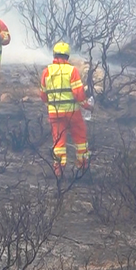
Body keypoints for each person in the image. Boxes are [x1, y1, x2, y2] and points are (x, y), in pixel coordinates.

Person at [39, 41, 91, 177]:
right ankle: (83, 168)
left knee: (59, 142)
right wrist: (87, 106)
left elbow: (43, 95)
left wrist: (50, 106)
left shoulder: (47, 71)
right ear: (67, 56)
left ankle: (58, 170)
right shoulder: (72, 71)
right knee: (80, 140)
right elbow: (78, 93)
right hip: (72, 112)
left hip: (55, 114)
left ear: (54, 55)